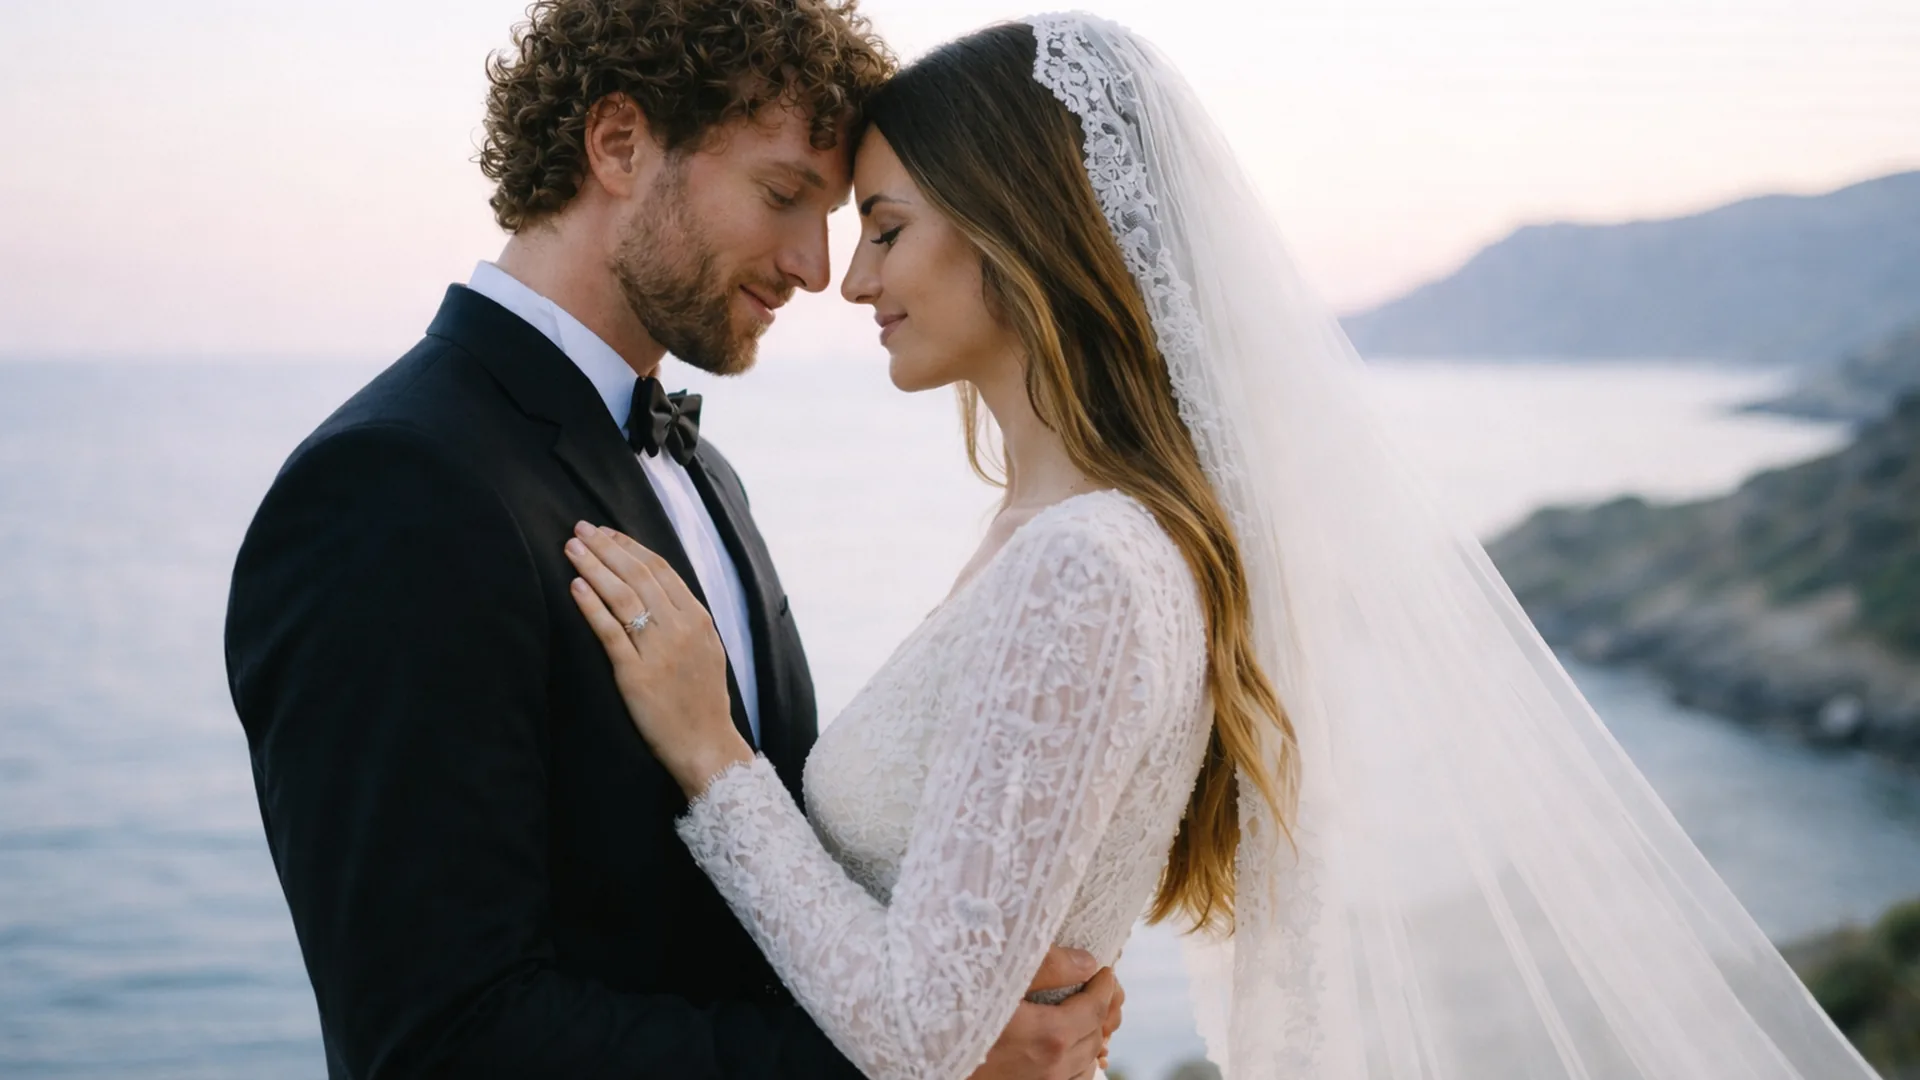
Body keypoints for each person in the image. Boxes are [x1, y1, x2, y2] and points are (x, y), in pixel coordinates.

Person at [566, 13, 1887, 1080]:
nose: (849, 281)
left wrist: (713, 757)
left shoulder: (1089, 564)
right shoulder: (1060, 532)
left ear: (1020, 230)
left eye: (889, 228)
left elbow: (923, 1037)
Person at [223, 2, 1120, 1077]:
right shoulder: (392, 487)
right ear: (618, 143)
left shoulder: (701, 473)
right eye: (784, 196)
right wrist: (905, 1067)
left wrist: (962, 997)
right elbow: (437, 1042)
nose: (815, 265)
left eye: (838, 216)